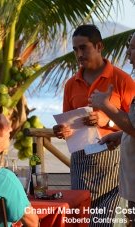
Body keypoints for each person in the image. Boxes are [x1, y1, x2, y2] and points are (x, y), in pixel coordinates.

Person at [53, 24, 135, 226]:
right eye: (75, 50)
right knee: (79, 220)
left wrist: (106, 120)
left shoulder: (122, 80)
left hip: (111, 159)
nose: (79, 54)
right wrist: (61, 130)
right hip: (80, 160)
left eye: (83, 48)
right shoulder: (71, 83)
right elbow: (67, 121)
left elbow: (132, 125)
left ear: (99, 46)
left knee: (102, 222)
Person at [89, 32, 135, 226]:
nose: (128, 54)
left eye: (132, 48)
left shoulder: (123, 79)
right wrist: (120, 135)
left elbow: (133, 126)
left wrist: (106, 106)